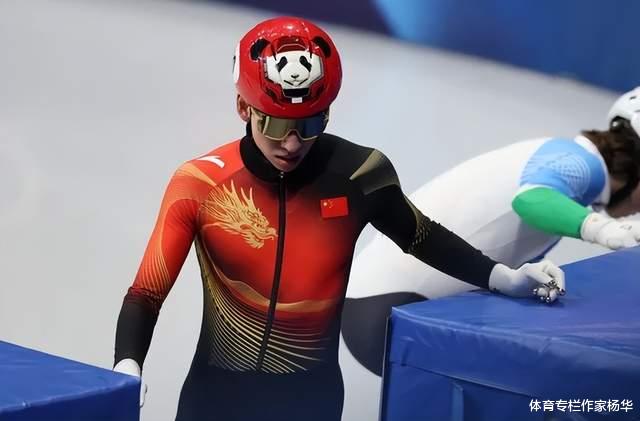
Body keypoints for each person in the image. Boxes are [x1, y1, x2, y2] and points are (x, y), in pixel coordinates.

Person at [112, 17, 565, 421]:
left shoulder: (360, 173)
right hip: (215, 400)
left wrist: (502, 276)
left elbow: (421, 236)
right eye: (276, 124)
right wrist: (127, 366)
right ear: (243, 108)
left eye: (310, 124)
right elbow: (147, 293)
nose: (292, 143)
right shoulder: (199, 183)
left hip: (311, 400)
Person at [340, 86, 640, 421]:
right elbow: (531, 199)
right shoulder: (582, 165)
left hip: (376, 306)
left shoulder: (561, 155)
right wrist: (603, 230)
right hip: (392, 311)